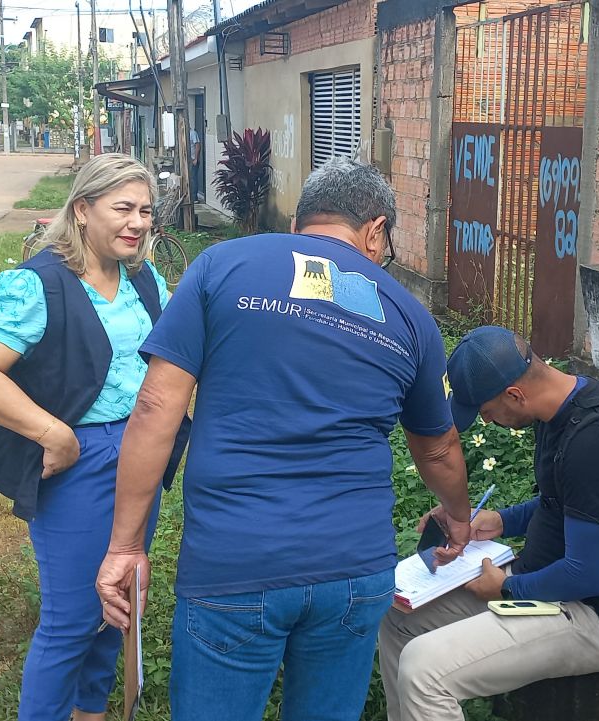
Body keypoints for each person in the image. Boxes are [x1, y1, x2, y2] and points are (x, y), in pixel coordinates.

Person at [95, 157, 475, 721]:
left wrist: (126, 546)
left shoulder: (221, 265)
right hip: (354, 567)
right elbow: (438, 448)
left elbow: (154, 408)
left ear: (300, 223)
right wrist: (459, 516)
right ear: (375, 230)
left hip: (235, 562)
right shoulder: (409, 316)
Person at [0, 153, 187, 721]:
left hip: (140, 454)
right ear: (82, 210)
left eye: (147, 212)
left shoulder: (144, 280)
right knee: (73, 617)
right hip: (82, 460)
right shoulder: (39, 285)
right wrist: (53, 433)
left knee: (119, 600)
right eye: (123, 208)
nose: (137, 223)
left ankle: (91, 712)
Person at [377, 326, 599, 721]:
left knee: (423, 669)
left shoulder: (596, 443)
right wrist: (498, 521)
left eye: (486, 411)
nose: (487, 421)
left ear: (515, 394)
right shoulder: (563, 407)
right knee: (398, 618)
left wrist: (507, 587)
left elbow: (587, 575)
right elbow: (566, 503)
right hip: (543, 582)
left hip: (591, 615)